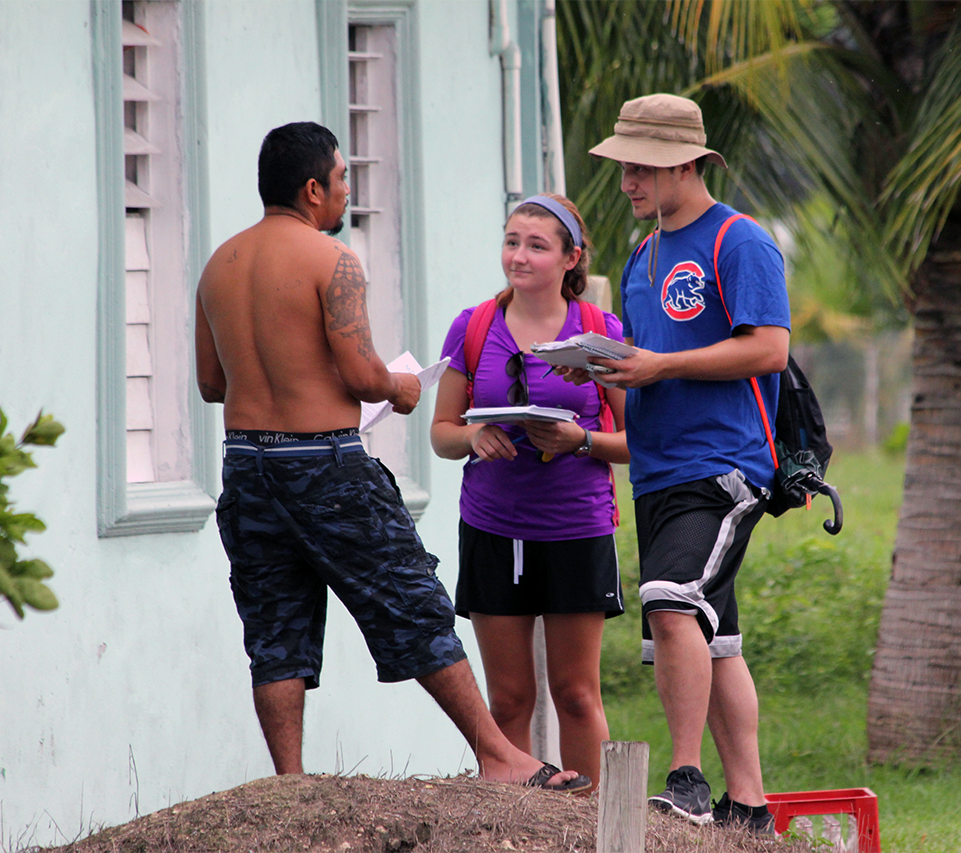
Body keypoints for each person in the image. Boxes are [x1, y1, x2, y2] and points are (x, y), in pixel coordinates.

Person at [194, 121, 589, 792]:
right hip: (324, 463)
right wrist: (400, 387)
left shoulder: (219, 265)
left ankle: (288, 779)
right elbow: (360, 373)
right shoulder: (332, 259)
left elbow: (211, 384)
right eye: (343, 177)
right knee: (412, 599)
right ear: (314, 187)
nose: (348, 189)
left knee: (275, 622)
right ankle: (498, 755)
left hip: (245, 465)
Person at [580, 94, 792, 835]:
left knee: (670, 601)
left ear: (685, 164)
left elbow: (769, 348)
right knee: (714, 637)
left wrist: (661, 366)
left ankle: (687, 779)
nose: (628, 182)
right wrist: (607, 372)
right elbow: (652, 362)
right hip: (659, 470)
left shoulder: (740, 241)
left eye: (641, 167)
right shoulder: (642, 256)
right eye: (625, 168)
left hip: (725, 466)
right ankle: (751, 808)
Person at [430, 193, 630, 790]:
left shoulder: (600, 333)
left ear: (572, 259)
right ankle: (511, 829)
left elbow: (643, 443)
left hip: (578, 527)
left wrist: (580, 440)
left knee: (574, 693)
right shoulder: (474, 327)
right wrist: (476, 437)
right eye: (512, 241)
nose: (518, 256)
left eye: (537, 246)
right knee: (510, 697)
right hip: (493, 526)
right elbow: (442, 434)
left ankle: (585, 823)